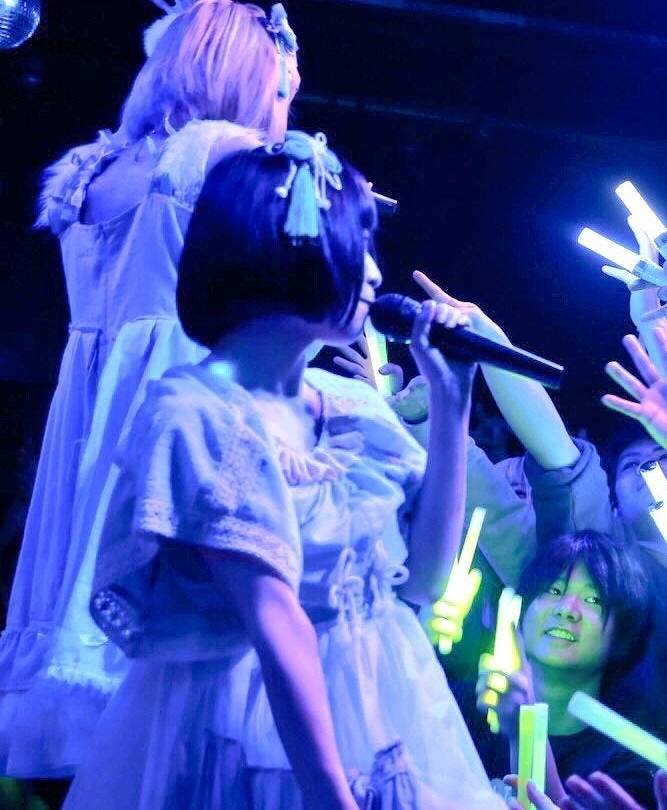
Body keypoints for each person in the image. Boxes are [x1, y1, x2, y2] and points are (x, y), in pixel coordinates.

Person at [65, 131, 500, 807]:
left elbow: (425, 579)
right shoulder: (197, 414)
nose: (375, 273)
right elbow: (277, 623)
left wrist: (452, 407)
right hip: (250, 725)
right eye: (356, 245)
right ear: (285, 246)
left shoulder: (355, 409)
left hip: (386, 709)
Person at [0, 0, 305, 781]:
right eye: (269, 79)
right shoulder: (218, 150)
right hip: (177, 399)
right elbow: (292, 207)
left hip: (92, 410)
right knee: (191, 633)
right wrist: (277, 77)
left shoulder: (95, 169)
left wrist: (197, 33)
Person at [473, 531, 659, 805]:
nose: (567, 609)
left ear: (624, 635)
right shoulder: (465, 707)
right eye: (554, 590)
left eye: (593, 599)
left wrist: (524, 727)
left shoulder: (631, 762)